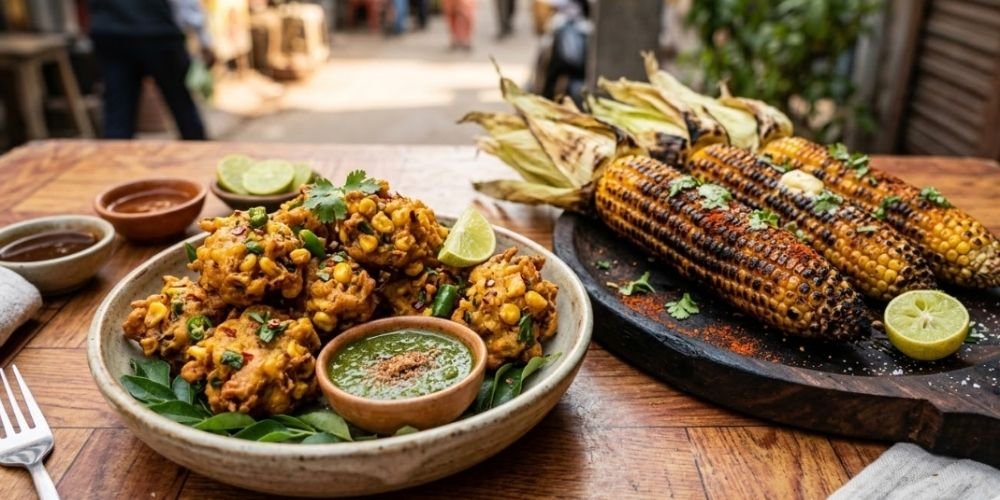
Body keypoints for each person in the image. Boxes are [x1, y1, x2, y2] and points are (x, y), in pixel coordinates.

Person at [88, 0, 215, 140]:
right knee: (182, 107)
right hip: (158, 33)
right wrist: (203, 38)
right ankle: (198, 155)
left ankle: (113, 159)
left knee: (118, 116)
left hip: (111, 32)